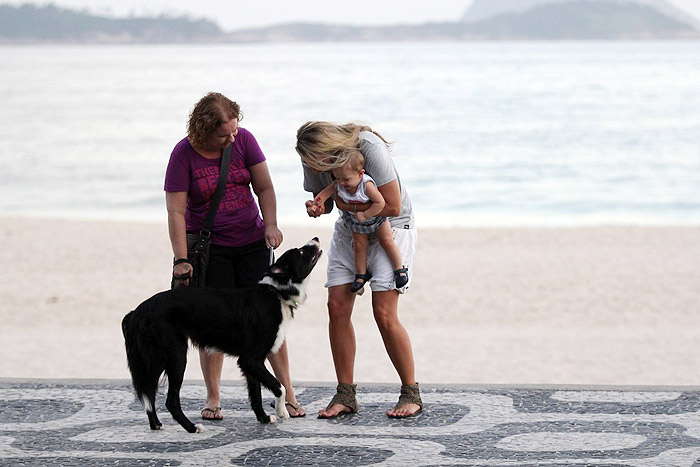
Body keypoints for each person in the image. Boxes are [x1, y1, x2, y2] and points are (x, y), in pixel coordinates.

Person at [164, 92, 305, 419]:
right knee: (211, 326)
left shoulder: (244, 141)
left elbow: (265, 188)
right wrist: (180, 259)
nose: (231, 138)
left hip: (253, 244)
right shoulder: (183, 155)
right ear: (202, 130)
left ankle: (288, 394)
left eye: (234, 130)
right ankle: (214, 397)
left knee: (269, 324)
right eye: (223, 134)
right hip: (212, 251)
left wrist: (270, 224)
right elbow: (175, 212)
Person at [296, 121, 422, 418]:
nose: (314, 169)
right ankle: (345, 394)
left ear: (330, 150)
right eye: (309, 164)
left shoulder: (368, 147)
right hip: (353, 230)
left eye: (318, 162)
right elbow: (330, 201)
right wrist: (317, 207)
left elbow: (391, 204)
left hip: (391, 226)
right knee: (337, 306)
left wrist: (346, 206)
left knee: (384, 312)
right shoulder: (310, 159)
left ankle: (410, 392)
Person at [313, 149, 408, 294]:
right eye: (338, 179)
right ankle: (361, 275)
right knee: (359, 246)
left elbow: (380, 203)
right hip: (356, 222)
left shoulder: (366, 185)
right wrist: (317, 203)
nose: (342, 183)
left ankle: (399, 269)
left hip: (377, 219)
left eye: (346, 180)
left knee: (387, 241)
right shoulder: (339, 182)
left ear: (360, 174)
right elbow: (325, 193)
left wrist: (366, 214)